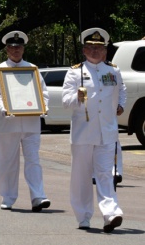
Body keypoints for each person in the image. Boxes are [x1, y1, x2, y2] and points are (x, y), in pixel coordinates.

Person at [62, 27, 125, 232]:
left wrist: (121, 105)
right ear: (84, 50)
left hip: (107, 131)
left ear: (105, 51)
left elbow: (121, 90)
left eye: (99, 47)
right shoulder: (74, 72)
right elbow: (65, 101)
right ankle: (83, 216)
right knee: (81, 176)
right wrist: (77, 98)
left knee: (106, 174)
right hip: (83, 133)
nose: (95, 51)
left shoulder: (113, 71)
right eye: (90, 47)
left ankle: (111, 213)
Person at [0, 30, 51, 211]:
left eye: (19, 48)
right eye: (12, 48)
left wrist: (44, 107)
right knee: (8, 161)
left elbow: (43, 93)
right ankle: (8, 196)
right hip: (9, 123)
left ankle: (38, 196)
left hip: (31, 123)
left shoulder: (32, 69)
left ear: (23, 49)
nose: (15, 51)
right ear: (7, 50)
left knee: (33, 160)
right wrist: (3, 108)